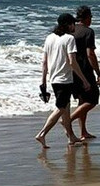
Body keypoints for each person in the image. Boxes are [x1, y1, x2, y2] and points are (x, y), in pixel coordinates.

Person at [35, 13, 91, 148]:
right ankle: (42, 134)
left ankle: (71, 137)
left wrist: (43, 81)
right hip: (64, 79)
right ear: (68, 25)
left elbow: (44, 62)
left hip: (54, 79)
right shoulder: (69, 39)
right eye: (73, 23)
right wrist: (84, 80)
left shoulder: (49, 38)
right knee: (61, 108)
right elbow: (72, 62)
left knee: (66, 109)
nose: (75, 26)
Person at [70, 5, 100, 139]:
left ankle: (83, 132)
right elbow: (90, 54)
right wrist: (98, 73)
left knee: (82, 101)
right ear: (87, 17)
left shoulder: (70, 31)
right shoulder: (88, 32)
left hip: (71, 69)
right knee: (92, 99)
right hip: (84, 69)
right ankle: (69, 120)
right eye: (91, 17)